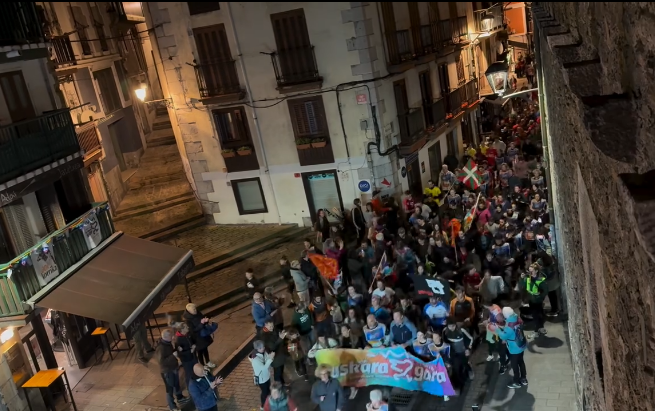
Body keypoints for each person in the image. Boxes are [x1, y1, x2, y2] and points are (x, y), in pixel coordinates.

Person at [492, 307, 528, 388]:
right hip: (521, 345)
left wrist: (497, 329)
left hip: (514, 348)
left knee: (514, 365)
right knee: (521, 362)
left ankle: (516, 382)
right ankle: (523, 378)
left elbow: (503, 336)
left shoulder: (510, 326)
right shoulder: (516, 318)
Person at [156, 329, 189, 411]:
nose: (173, 337)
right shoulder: (161, 347)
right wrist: (173, 356)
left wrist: (177, 350)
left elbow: (171, 352)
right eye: (171, 336)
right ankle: (172, 406)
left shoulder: (167, 343)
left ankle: (180, 398)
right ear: (166, 337)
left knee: (176, 384)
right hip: (167, 371)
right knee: (169, 389)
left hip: (173, 368)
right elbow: (161, 362)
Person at [183, 304, 216, 368]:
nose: (195, 310)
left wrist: (206, 320)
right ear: (189, 311)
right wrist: (201, 324)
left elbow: (202, 317)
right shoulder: (187, 320)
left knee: (205, 349)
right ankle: (203, 365)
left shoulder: (197, 312)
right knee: (200, 352)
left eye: (195, 308)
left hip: (203, 335)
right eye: (193, 309)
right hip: (197, 338)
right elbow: (193, 330)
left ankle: (208, 362)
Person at [249, 340, 275, 411]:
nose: (263, 348)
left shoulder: (264, 352)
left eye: (263, 347)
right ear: (257, 349)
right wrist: (270, 358)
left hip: (267, 376)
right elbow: (263, 368)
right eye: (260, 348)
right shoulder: (255, 359)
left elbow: (267, 360)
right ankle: (263, 406)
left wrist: (270, 357)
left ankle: (268, 403)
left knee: (268, 390)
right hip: (262, 379)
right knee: (264, 392)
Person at [261, 320, 288, 386]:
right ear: (265, 325)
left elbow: (280, 333)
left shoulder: (275, 329)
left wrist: (282, 333)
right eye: (270, 326)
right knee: (277, 374)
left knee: (281, 371)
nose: (272, 327)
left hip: (281, 355)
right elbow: (272, 347)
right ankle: (279, 387)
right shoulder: (264, 336)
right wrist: (280, 338)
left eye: (272, 326)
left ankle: (283, 383)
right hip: (276, 358)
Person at [175, 323, 198, 387]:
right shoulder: (178, 340)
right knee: (189, 374)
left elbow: (193, 341)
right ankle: (190, 388)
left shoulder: (188, 334)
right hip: (187, 360)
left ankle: (197, 385)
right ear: (182, 329)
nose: (188, 327)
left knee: (196, 371)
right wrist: (189, 351)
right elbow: (180, 353)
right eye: (186, 327)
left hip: (193, 357)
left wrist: (194, 345)